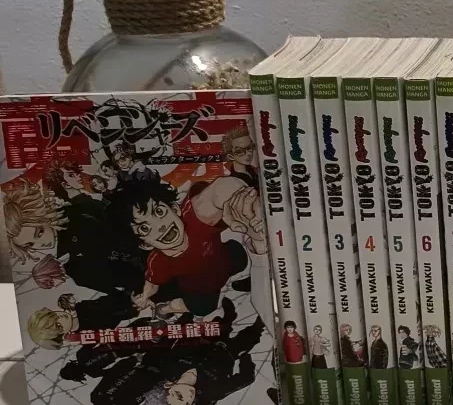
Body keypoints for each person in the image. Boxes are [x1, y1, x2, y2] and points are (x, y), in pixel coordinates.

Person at [69, 298, 266, 405]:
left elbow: (117, 375)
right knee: (220, 345)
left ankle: (218, 318)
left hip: (153, 364)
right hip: (165, 376)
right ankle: (232, 323)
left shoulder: (101, 396)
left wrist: (135, 360)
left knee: (194, 339)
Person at [110, 174, 267, 319]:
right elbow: (152, 284)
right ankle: (165, 309)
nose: (161, 226)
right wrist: (144, 297)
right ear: (144, 244)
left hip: (224, 261)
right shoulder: (157, 261)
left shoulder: (194, 216)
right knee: (202, 309)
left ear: (174, 208)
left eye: (158, 211)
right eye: (145, 228)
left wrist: (251, 207)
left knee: (239, 257)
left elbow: (221, 189)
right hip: (200, 290)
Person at [5, 178, 146, 327]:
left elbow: (116, 221)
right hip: (142, 281)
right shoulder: (74, 269)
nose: (42, 243)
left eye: (39, 232)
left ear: (43, 216)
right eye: (30, 244)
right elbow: (114, 291)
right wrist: (132, 301)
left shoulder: (78, 215)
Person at [222, 123, 259, 191]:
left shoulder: (255, 171)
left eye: (250, 147)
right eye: (240, 151)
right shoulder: (232, 182)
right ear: (230, 156)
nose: (249, 153)